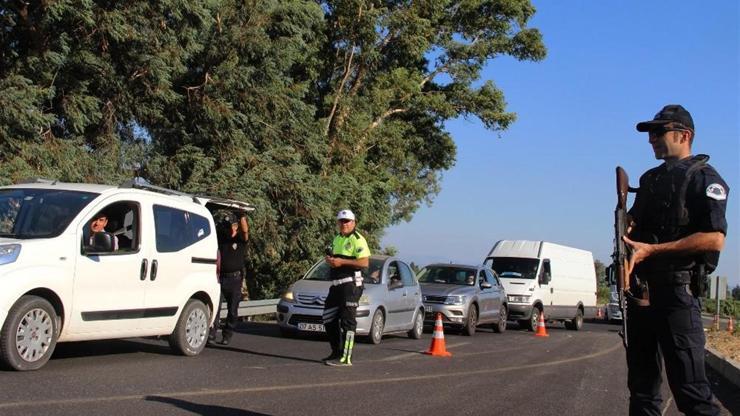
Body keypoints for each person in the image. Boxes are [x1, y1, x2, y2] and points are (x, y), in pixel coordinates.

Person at [622, 104, 727, 416]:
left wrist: (653, 251)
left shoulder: (704, 178)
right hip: (642, 294)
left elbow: (714, 238)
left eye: (659, 132)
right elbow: (633, 228)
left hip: (677, 293)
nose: (652, 139)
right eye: (650, 133)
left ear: (684, 135)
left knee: (691, 393)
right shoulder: (650, 179)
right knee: (642, 391)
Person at [322, 209, 371, 367]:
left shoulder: (358, 239)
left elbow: (364, 262)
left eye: (347, 221)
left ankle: (345, 357)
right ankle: (336, 351)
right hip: (336, 285)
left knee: (347, 322)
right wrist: (331, 260)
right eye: (342, 221)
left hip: (350, 285)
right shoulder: (337, 238)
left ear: (354, 222)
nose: (344, 224)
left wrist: (342, 262)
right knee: (328, 318)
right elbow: (336, 260)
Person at [209, 211, 249, 345]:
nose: (226, 228)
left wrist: (241, 215)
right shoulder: (220, 238)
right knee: (215, 308)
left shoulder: (240, 239)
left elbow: (245, 232)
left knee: (232, 310)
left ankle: (227, 334)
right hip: (220, 278)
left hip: (235, 279)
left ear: (235, 226)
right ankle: (211, 334)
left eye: (229, 225)